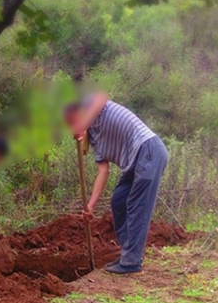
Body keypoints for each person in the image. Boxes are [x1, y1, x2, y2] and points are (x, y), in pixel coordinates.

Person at [64, 92, 169, 274]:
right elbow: (103, 172)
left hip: (148, 150)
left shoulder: (91, 105)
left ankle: (131, 262)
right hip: (133, 163)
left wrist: (83, 123)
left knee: (137, 206)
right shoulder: (97, 142)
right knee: (119, 201)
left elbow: (101, 96)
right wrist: (90, 206)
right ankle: (128, 253)